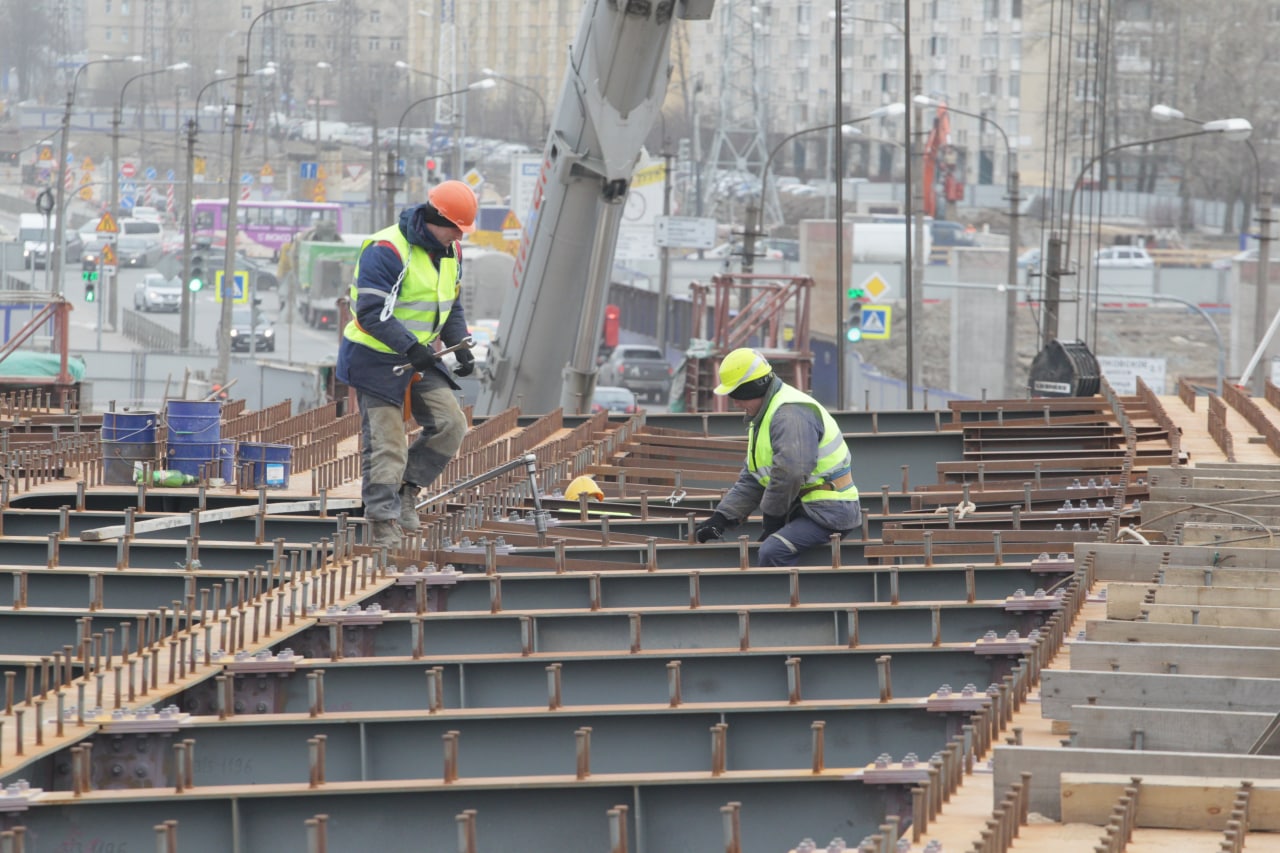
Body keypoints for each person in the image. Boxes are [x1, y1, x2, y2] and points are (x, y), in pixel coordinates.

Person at [336, 180, 479, 551]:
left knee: (451, 424)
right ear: (436, 219)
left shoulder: (450, 251)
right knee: (388, 443)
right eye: (457, 228)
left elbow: (449, 304)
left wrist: (457, 344)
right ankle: (383, 521)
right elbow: (369, 312)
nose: (459, 236)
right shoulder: (387, 249)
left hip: (418, 356)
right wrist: (411, 347)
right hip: (374, 358)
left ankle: (405, 491)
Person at [695, 348, 862, 566]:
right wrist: (721, 518)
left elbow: (790, 473)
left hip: (828, 511)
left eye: (737, 395)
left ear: (754, 388)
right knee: (765, 547)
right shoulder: (765, 415)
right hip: (803, 508)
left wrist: (772, 520)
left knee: (772, 552)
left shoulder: (789, 415)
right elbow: (753, 479)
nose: (735, 403)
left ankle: (786, 599)